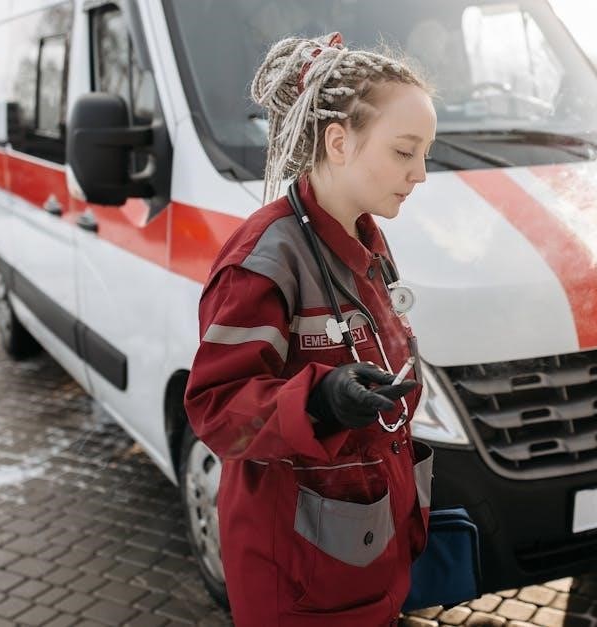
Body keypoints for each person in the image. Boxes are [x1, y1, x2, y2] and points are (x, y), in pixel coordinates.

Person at [183, 32, 438, 626]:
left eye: (425, 152)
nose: (421, 173)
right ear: (339, 141)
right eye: (405, 151)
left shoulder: (366, 240)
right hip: (297, 580)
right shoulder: (264, 261)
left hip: (363, 555)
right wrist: (319, 402)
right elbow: (216, 407)